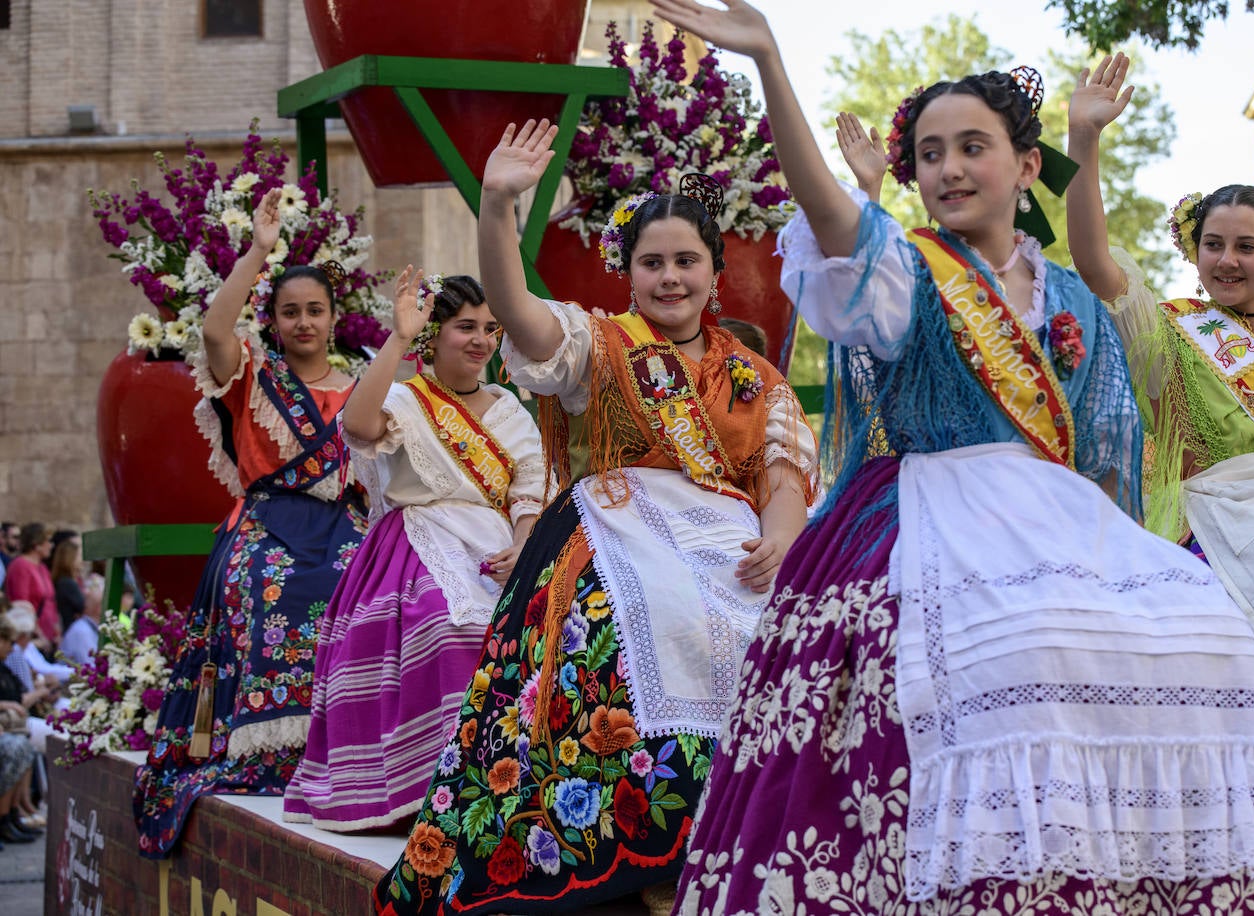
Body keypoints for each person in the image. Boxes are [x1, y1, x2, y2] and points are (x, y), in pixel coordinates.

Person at [645, 2, 1254, 913]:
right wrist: (773, 64)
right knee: (1008, 660)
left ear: (1025, 166)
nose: (950, 168)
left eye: (973, 146)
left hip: (1058, 512)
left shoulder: (1073, 302)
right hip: (929, 509)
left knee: (1209, 637)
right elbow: (831, 216)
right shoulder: (906, 271)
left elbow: (1103, 453)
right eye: (929, 154)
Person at [372, 121, 818, 915]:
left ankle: (739, 838)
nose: (670, 278)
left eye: (686, 262)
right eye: (653, 263)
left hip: (724, 543)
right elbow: (517, 308)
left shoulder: (754, 377)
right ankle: (627, 849)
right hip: (613, 537)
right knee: (636, 620)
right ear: (630, 271)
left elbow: (784, 475)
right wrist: (497, 207)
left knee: (783, 637)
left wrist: (781, 535)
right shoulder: (597, 344)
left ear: (716, 272)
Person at [1065, 51, 1254, 886]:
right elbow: (1095, 263)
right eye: (1213, 245)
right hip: (1212, 518)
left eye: (1248, 246)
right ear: (1194, 253)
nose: (1228, 261)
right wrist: (1082, 141)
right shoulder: (1168, 334)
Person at [132, 188, 369, 859]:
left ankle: (347, 750)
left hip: (342, 527)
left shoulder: (362, 388)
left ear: (333, 318)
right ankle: (263, 751)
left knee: (370, 588)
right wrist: (259, 250)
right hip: (268, 525)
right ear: (274, 318)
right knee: (270, 582)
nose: (302, 322)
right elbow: (212, 332)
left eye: (314, 311)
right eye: (289, 311)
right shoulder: (251, 379)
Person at [284, 272, 548, 831]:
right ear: (436, 333)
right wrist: (399, 338)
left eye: (490, 328)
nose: (480, 340)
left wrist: (525, 542)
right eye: (465, 327)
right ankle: (429, 788)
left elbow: (530, 486)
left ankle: (507, 787)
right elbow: (357, 425)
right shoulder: (405, 398)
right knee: (444, 625)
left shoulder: (509, 410)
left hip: (499, 543)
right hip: (416, 544)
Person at [0, 617, 42, 847]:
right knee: (17, 747)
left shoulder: (4, 666)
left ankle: (10, 815)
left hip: (11, 728)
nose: (10, 648)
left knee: (23, 746)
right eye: (7, 642)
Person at [4, 524, 58, 646]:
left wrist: (56, 631)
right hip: (31, 637)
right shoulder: (20, 566)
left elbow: (51, 601)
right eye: (48, 541)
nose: (51, 545)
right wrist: (38, 633)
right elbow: (22, 605)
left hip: (47, 635)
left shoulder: (42, 568)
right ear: (36, 545)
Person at [51, 538, 88, 639]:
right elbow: (85, 607)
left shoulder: (72, 580)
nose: (82, 560)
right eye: (79, 556)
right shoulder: (67, 583)